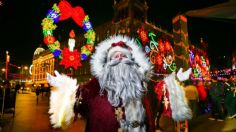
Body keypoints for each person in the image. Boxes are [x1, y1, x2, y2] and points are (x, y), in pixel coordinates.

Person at [47, 35, 192, 132]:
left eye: (123, 56)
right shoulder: (98, 83)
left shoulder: (141, 83)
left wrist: (176, 80)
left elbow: (160, 89)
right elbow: (78, 97)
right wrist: (65, 87)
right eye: (115, 56)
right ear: (109, 62)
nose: (120, 59)